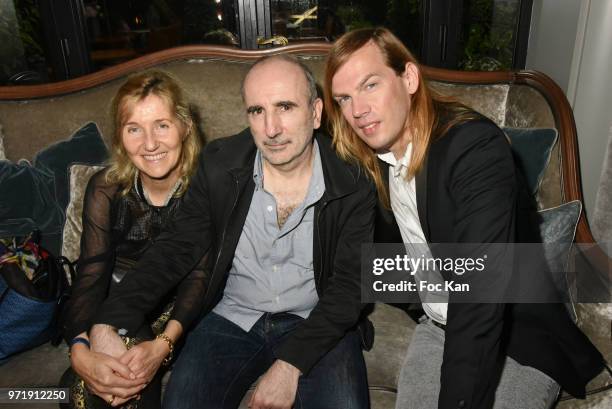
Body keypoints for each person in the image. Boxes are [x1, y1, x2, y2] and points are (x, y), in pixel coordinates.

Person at [325, 27, 605, 409]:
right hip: (437, 325)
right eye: (344, 99)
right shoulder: (369, 158)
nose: (357, 111)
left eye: (370, 85)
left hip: (515, 337)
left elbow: (480, 293)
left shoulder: (473, 148)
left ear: (408, 78)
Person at [90, 55, 375, 409]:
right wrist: (107, 321)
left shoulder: (354, 179)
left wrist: (290, 365)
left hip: (318, 321)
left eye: (285, 107)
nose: (271, 129)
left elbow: (351, 287)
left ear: (316, 113)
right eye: (257, 111)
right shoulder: (221, 164)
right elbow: (175, 248)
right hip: (234, 314)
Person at [62, 70, 205, 409]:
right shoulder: (106, 188)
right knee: (78, 389)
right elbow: (91, 275)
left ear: (184, 127)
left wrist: (164, 343)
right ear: (120, 137)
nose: (150, 143)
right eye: (134, 129)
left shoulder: (205, 188)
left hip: (171, 308)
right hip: (113, 295)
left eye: (162, 125)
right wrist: (80, 348)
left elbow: (199, 280)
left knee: (130, 375)